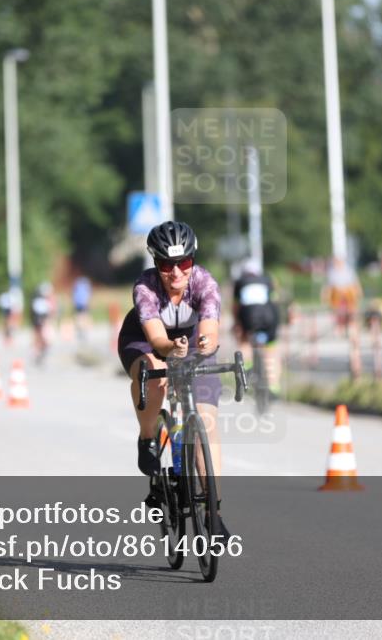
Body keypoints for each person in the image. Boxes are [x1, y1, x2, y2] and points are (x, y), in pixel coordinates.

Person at [117, 221, 228, 535]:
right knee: (154, 374)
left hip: (191, 344)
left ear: (193, 260)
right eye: (167, 264)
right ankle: (148, 435)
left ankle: (212, 511)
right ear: (155, 262)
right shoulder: (145, 287)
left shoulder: (205, 283)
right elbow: (156, 338)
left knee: (205, 422)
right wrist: (170, 349)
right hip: (144, 342)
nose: (176, 272)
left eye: (184, 263)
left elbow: (210, 328)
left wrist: (205, 343)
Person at [232, 258, 282, 397]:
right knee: (272, 350)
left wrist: (237, 324)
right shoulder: (267, 279)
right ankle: (274, 386)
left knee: (244, 340)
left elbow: (236, 307)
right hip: (269, 318)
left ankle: (246, 367)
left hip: (249, 318)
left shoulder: (240, 282)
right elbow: (275, 302)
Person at [322, 256, 362, 333]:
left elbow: (355, 283)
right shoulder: (332, 272)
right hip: (336, 295)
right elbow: (328, 285)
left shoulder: (349, 270)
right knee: (337, 311)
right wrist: (325, 295)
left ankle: (351, 325)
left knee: (351, 310)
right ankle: (340, 326)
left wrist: (358, 292)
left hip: (348, 294)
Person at [29, 282, 55, 364]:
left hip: (40, 321)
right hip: (40, 322)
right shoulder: (41, 301)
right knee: (41, 337)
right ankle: (38, 351)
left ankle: (39, 351)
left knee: (41, 337)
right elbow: (47, 313)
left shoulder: (38, 300)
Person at [72, 275, 93, 340]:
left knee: (79, 316)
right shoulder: (86, 284)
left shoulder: (77, 284)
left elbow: (74, 294)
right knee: (84, 316)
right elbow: (89, 294)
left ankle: (81, 330)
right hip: (84, 303)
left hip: (78, 303)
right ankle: (84, 330)